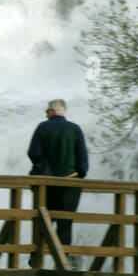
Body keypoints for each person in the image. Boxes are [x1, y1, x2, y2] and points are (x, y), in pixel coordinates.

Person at [27, 99, 89, 252]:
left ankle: (37, 260)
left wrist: (43, 166)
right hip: (71, 183)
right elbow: (82, 160)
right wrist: (79, 176)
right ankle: (63, 262)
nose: (46, 115)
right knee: (66, 223)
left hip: (47, 184)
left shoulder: (42, 127)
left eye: (47, 111)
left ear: (53, 111)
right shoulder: (75, 129)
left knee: (44, 221)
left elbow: (33, 153)